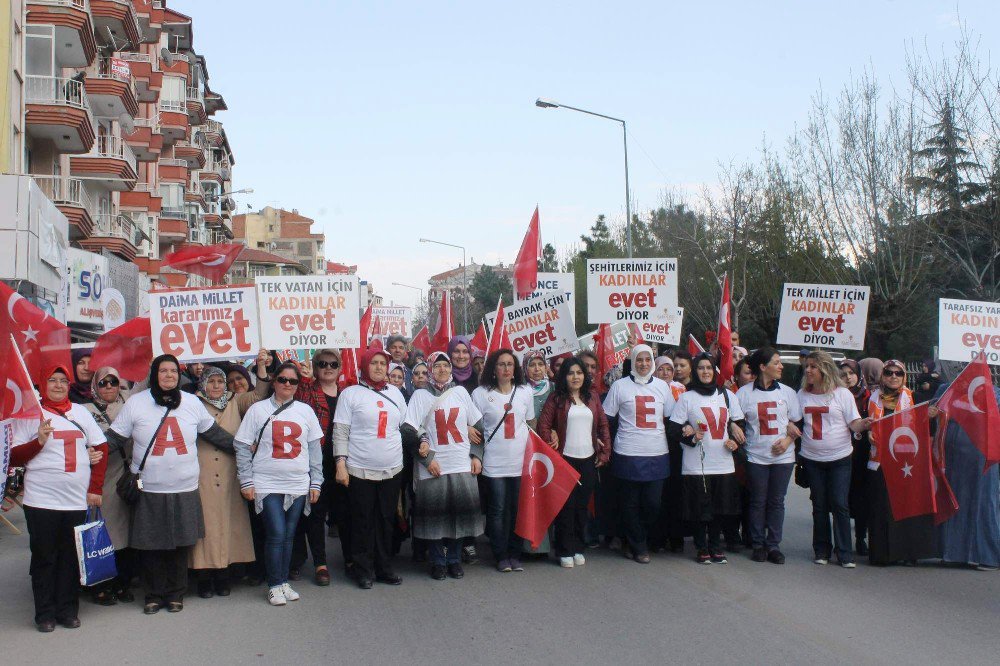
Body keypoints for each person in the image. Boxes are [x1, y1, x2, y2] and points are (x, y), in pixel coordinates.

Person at [105, 354, 236, 614]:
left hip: (184, 487)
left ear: (179, 374)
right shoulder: (136, 403)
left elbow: (214, 434)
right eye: (163, 371)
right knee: (151, 545)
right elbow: (115, 438)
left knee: (180, 544)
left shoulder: (191, 403)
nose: (169, 375)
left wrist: (245, 448)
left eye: (173, 371)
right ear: (155, 374)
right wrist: (88, 452)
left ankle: (176, 594)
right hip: (149, 487)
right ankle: (153, 595)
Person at [11, 365, 108, 632]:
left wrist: (95, 488)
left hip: (75, 500)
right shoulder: (30, 415)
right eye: (51, 380)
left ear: (69, 385)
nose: (57, 385)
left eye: (63, 381)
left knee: (70, 557)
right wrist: (38, 441)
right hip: (41, 499)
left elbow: (101, 447)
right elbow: (14, 456)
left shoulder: (81, 413)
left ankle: (67, 610)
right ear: (43, 385)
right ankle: (44, 613)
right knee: (44, 557)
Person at [236, 362, 323, 606]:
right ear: (274, 381)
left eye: (292, 381)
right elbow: (242, 445)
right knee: (276, 533)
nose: (287, 384)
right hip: (267, 481)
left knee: (289, 535)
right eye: (282, 379)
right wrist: (247, 480)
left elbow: (315, 449)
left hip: (297, 483)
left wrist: (316, 482)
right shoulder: (257, 410)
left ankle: (284, 581)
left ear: (298, 384)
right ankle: (274, 584)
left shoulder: (306, 411)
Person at [190, 354, 271, 599]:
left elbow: (260, 393)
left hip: (230, 474)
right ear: (203, 383)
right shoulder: (192, 403)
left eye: (219, 381)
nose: (216, 386)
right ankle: (204, 579)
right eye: (211, 381)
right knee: (205, 530)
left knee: (228, 525)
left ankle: (224, 576)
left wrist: (262, 366)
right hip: (202, 475)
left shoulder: (236, 400)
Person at [402, 351, 485, 580]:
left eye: (445, 366)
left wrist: (476, 456)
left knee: (459, 515)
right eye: (437, 366)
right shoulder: (420, 396)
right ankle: (438, 560)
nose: (442, 370)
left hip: (460, 463)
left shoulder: (460, 392)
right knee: (435, 517)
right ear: (430, 369)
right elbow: (408, 431)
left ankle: (455, 559)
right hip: (434, 466)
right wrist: (427, 460)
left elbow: (478, 425)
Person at [333, 348, 407, 589]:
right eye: (373, 363)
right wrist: (340, 464)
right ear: (365, 365)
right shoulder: (350, 394)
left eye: (382, 363)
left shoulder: (395, 392)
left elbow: (404, 425)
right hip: (359, 469)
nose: (378, 367)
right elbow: (341, 431)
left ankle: (384, 567)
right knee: (363, 520)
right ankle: (363, 569)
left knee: (386, 519)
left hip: (392, 468)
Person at [603, 344, 677, 563]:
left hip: (657, 454)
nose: (643, 364)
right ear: (633, 361)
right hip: (627, 453)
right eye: (639, 360)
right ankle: (637, 545)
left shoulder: (663, 388)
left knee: (652, 504)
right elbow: (606, 419)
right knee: (630, 503)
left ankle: (635, 538)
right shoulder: (619, 386)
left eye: (647, 359)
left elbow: (672, 418)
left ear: (653, 362)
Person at [668, 353, 745, 564]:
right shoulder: (687, 397)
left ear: (715, 371)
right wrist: (691, 437)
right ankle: (702, 547)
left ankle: (716, 546)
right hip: (696, 464)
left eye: (709, 368)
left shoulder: (728, 396)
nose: (705, 372)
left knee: (719, 510)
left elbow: (739, 425)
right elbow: (674, 430)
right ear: (695, 371)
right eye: (701, 368)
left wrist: (735, 441)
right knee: (700, 509)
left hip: (723, 463)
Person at [797, 350, 871, 568]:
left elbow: (854, 423)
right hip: (812, 458)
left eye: (813, 366)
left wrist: (864, 425)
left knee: (839, 503)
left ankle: (845, 553)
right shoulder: (802, 394)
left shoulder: (842, 394)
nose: (808, 370)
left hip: (839, 457)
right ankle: (821, 550)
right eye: (807, 366)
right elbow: (793, 420)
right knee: (819, 505)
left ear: (825, 369)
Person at [538, 358, 611, 568]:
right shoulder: (556, 399)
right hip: (564, 460)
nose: (576, 376)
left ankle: (579, 547)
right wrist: (551, 439)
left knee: (582, 507)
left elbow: (604, 426)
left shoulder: (593, 397)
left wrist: (605, 452)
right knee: (566, 508)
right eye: (571, 373)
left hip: (588, 459)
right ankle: (564, 550)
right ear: (564, 376)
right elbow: (544, 426)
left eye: (579, 372)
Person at [866, 360, 939, 566]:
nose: (894, 377)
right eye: (889, 373)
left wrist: (929, 417)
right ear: (883, 375)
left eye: (898, 373)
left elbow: (927, 430)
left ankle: (906, 552)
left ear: (904, 376)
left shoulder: (915, 398)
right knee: (881, 508)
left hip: (906, 463)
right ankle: (882, 554)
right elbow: (862, 424)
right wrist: (868, 432)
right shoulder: (871, 399)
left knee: (905, 507)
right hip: (879, 462)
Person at [472, 349, 535, 572]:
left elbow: (531, 424)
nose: (506, 369)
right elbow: (474, 427)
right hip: (494, 463)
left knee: (517, 509)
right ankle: (500, 555)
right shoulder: (480, 394)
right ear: (493, 368)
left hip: (520, 462)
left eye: (510, 364)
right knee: (497, 509)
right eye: (501, 364)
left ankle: (515, 553)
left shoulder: (525, 392)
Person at [737, 347, 801, 564]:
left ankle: (773, 545)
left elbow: (797, 422)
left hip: (783, 457)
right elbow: (737, 421)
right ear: (763, 367)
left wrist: (787, 441)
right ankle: (757, 544)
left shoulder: (788, 393)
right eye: (776, 362)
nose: (781, 366)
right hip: (756, 456)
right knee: (757, 500)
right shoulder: (744, 394)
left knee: (776, 501)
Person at [932, 375, 1000, 571]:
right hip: (952, 457)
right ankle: (953, 553)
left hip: (983, 458)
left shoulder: (995, 393)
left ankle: (988, 556)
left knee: (983, 503)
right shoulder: (946, 389)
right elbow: (933, 415)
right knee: (954, 501)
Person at [82, 367, 135, 605]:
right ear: (95, 385)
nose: (109, 387)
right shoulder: (84, 411)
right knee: (107, 532)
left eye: (114, 382)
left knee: (129, 531)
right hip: (103, 478)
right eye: (103, 382)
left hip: (130, 477)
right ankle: (102, 585)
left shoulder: (130, 405)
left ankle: (124, 582)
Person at [291, 349, 343, 585]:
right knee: (316, 513)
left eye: (333, 363)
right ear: (316, 366)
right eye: (322, 363)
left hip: (345, 460)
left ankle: (352, 558)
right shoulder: (308, 391)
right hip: (316, 459)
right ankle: (320, 563)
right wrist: (305, 378)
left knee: (346, 512)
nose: (328, 367)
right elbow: (297, 400)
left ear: (340, 367)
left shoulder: (348, 394)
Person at [838, 359, 871, 556]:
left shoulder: (869, 397)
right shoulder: (835, 396)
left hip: (862, 454)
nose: (848, 378)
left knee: (861, 498)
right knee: (840, 499)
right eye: (843, 374)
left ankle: (860, 538)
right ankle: (840, 542)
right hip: (840, 452)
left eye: (851, 373)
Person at [524, 351, 552, 417]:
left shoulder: (554, 387)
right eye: (532, 365)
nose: (537, 369)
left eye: (540, 364)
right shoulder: (521, 390)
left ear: (545, 367)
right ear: (526, 369)